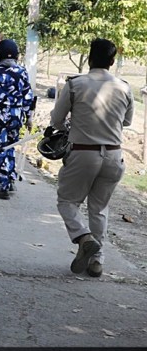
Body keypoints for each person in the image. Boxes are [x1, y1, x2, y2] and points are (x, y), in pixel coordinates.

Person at [51, 38, 134, 278]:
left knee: (67, 201)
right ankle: (97, 260)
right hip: (113, 155)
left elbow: (57, 119)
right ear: (112, 61)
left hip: (82, 154)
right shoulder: (124, 87)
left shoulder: (75, 84)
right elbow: (126, 121)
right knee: (99, 209)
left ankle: (84, 238)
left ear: (89, 58)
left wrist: (71, 125)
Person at [0, 39, 34, 200]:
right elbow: (27, 96)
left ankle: (4, 186)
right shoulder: (22, 72)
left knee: (0, 148)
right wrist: (29, 117)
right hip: (16, 116)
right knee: (11, 146)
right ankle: (10, 179)